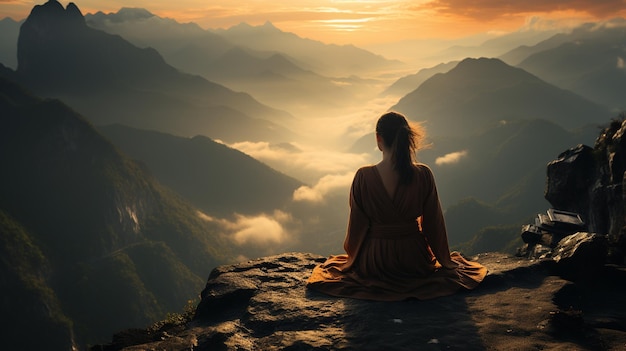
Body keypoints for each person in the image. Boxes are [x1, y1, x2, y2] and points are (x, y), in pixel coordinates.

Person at [306, 111, 487, 301]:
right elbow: (433, 226)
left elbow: (357, 228)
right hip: (414, 261)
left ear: (378, 139)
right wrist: (445, 261)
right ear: (407, 139)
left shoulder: (363, 177)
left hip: (373, 263)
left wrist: (352, 258)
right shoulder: (423, 175)